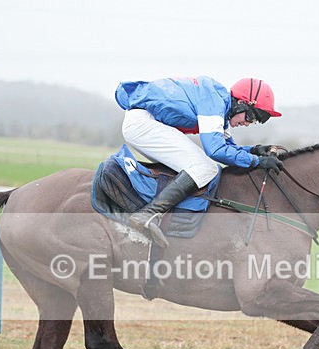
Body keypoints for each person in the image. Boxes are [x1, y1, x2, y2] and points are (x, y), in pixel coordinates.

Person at [114, 76, 285, 247]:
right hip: (143, 124)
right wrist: (257, 161)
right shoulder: (214, 103)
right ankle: (148, 215)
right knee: (205, 168)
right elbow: (216, 151)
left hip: (145, 122)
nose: (248, 123)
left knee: (201, 168)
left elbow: (228, 148)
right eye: (250, 116)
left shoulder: (221, 108)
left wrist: (255, 150)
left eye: (254, 121)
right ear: (241, 102)